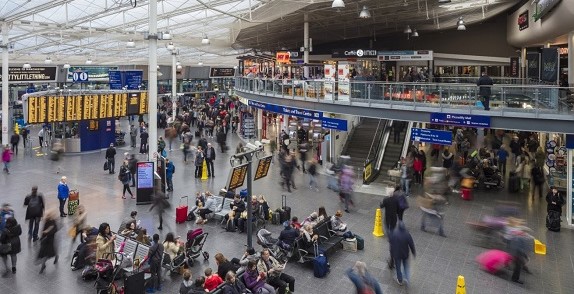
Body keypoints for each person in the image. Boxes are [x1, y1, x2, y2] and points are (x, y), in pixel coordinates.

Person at [390, 222, 416, 286]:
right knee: (406, 267)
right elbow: (411, 244)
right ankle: (407, 279)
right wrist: (413, 252)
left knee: (398, 268)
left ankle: (400, 280)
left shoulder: (394, 233)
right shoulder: (407, 234)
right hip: (405, 254)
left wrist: (392, 253)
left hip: (397, 255)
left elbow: (391, 245)